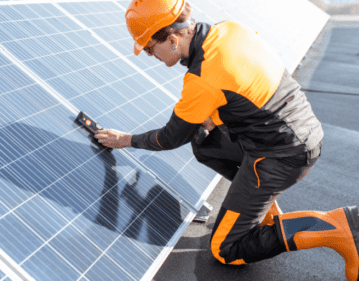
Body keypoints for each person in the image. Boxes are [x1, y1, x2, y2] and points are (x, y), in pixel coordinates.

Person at [94, 0, 359, 280]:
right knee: (204, 142)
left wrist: (126, 140)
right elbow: (248, 82)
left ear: (172, 40)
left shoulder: (201, 78)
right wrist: (218, 114)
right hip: (300, 130)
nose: (149, 55)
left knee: (226, 249)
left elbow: (170, 137)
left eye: (149, 48)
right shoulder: (229, 29)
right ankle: (260, 208)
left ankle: (337, 226)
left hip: (282, 154)